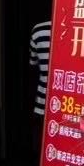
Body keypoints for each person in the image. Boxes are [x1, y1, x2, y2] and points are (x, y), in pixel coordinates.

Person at [30, 18, 52, 154]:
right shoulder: (80, 29)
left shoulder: (38, 29)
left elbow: (33, 62)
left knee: (43, 149)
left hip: (43, 101)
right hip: (71, 103)